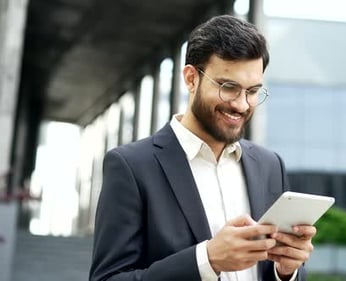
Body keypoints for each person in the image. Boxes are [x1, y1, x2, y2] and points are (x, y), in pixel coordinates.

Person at [89, 15, 316, 281]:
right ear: (191, 78)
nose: (241, 105)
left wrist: (286, 272)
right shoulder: (131, 167)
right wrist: (207, 260)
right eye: (228, 87)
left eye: (252, 91)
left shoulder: (270, 165)